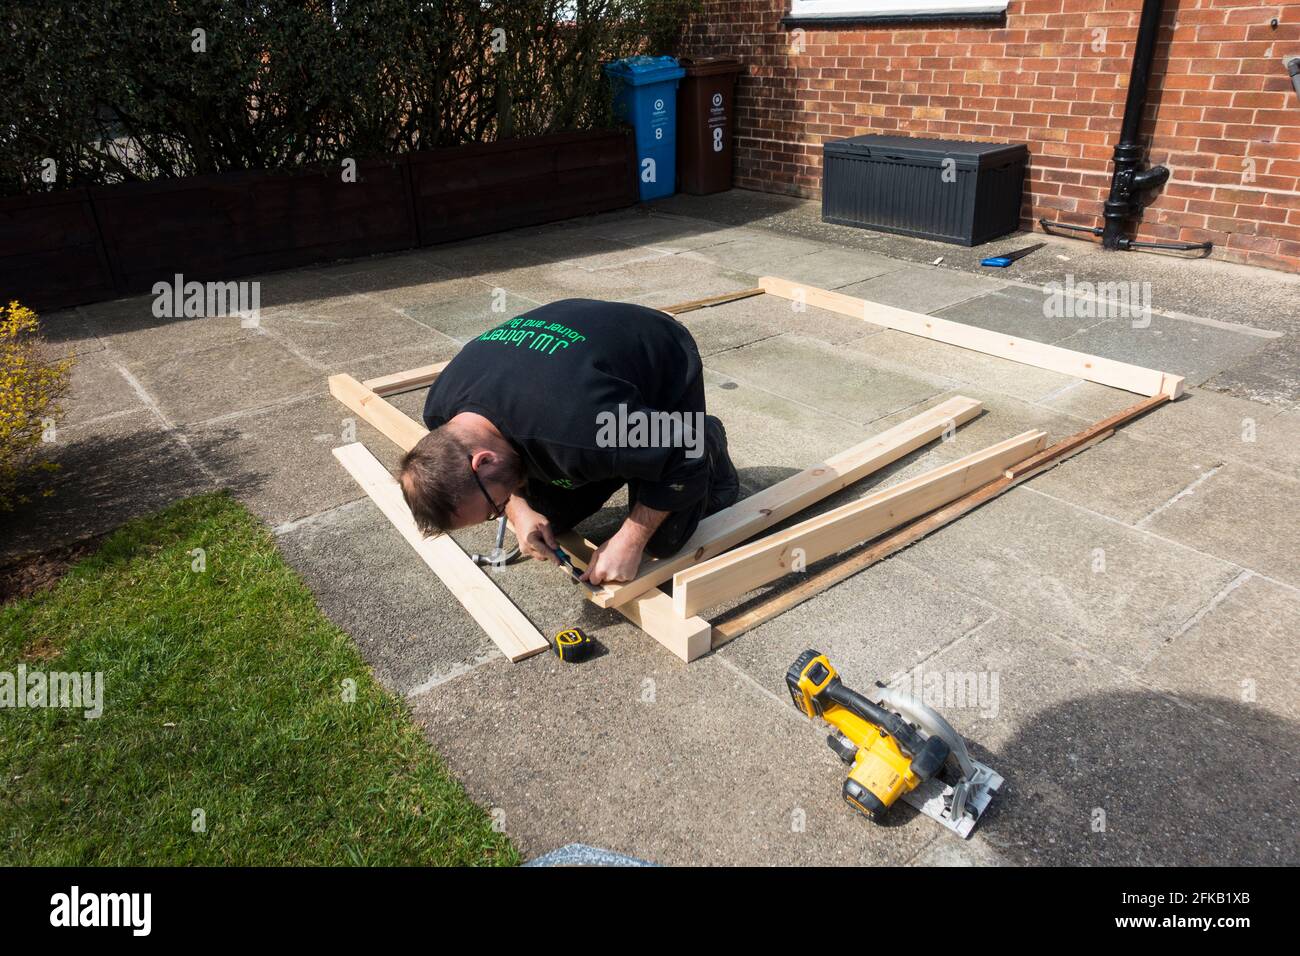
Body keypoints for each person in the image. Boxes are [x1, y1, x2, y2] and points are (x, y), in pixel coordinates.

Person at [398, 298, 739, 585]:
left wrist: (630, 541)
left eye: (494, 510)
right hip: (578, 362)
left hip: (659, 352)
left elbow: (684, 445)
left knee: (663, 541)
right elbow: (520, 494)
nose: (501, 513)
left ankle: (706, 441)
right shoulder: (441, 411)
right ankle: (636, 453)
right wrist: (521, 514)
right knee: (548, 520)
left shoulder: (581, 428)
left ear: (483, 460)